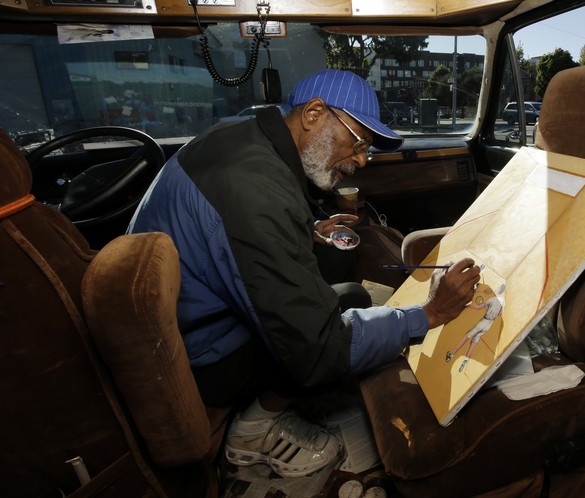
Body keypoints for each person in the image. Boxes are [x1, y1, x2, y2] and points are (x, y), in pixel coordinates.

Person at [127, 69, 480, 478]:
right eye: (359, 142)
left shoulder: (241, 136)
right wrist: (431, 313)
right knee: (345, 307)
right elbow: (320, 347)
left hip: (189, 313)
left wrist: (302, 230)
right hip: (200, 357)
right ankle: (252, 430)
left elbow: (223, 231)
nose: (362, 160)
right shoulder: (255, 190)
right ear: (314, 113)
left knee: (339, 267)